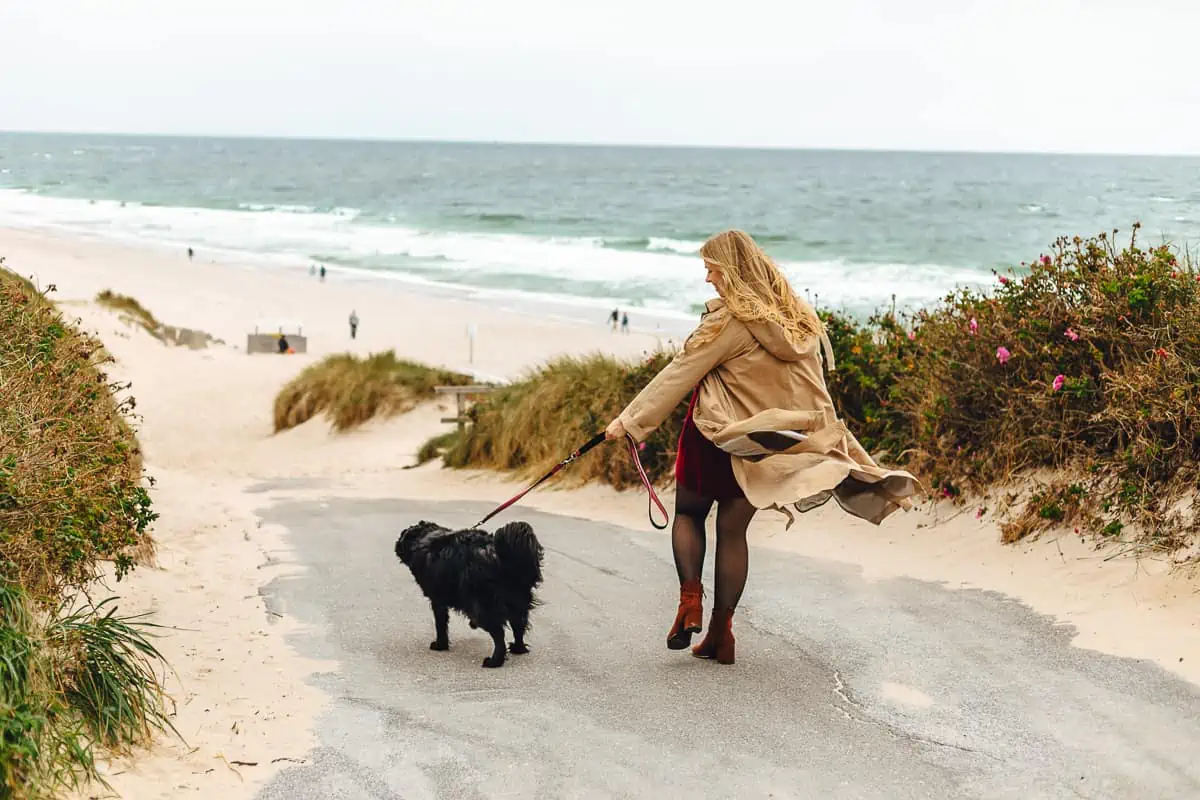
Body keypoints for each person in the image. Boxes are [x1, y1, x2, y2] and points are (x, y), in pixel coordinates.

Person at [605, 230, 918, 665]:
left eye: (712, 268)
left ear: (732, 271)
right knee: (733, 532)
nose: (708, 278)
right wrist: (823, 437)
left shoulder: (729, 322)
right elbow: (813, 390)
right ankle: (721, 633)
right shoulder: (797, 321)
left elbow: (680, 373)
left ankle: (690, 602)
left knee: (689, 515)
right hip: (763, 448)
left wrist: (630, 422)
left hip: (716, 438)